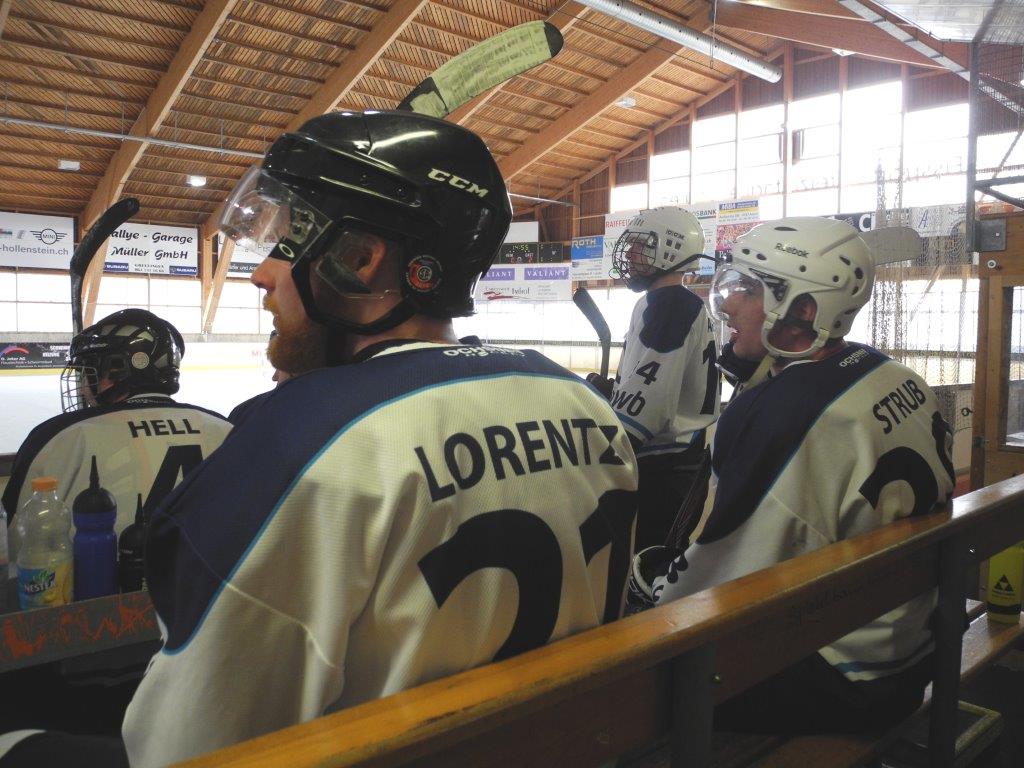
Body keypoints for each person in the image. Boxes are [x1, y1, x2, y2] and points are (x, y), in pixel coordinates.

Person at [19, 110, 639, 767]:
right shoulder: (587, 408)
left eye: (288, 243)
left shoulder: (306, 440)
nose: (262, 273)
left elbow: (184, 746)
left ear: (361, 261)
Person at [649, 217, 956, 734]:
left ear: (804, 309)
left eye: (748, 289)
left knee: (637, 676)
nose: (728, 304)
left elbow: (718, 582)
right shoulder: (893, 373)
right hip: (911, 639)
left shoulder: (783, 415)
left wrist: (651, 593)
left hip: (850, 675)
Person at [3, 308, 232, 559]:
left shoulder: (60, 437)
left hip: (101, 582)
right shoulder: (225, 430)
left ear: (117, 369)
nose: (83, 389)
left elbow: (15, 545)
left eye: (88, 371)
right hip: (209, 579)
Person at [593, 206, 719, 554]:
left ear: (670, 249)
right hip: (673, 461)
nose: (630, 254)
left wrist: (601, 455)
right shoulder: (665, 302)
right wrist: (612, 393)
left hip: (667, 467)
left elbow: (650, 407)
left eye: (641, 245)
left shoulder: (672, 306)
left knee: (647, 563)